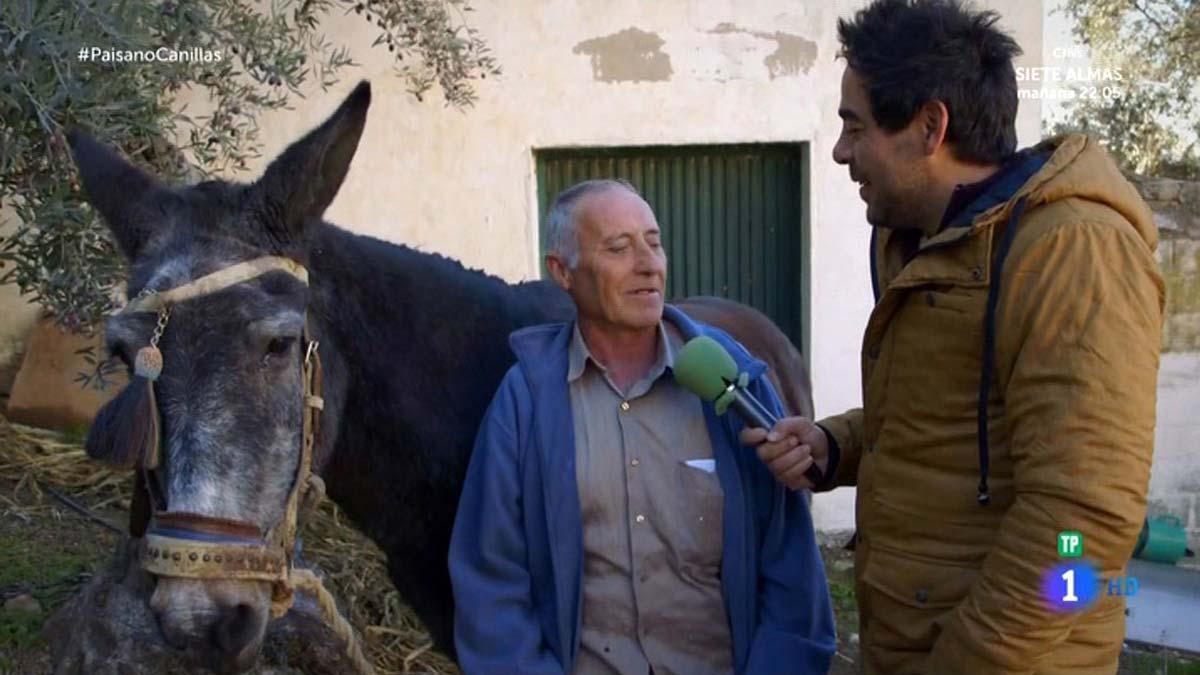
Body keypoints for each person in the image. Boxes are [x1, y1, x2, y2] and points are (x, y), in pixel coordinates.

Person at [740, 1, 1164, 672]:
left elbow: (1080, 520)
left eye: (856, 125)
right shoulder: (916, 238)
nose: (841, 149)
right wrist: (833, 444)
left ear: (930, 126)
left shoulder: (1073, 250)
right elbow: (942, 422)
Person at [450, 179, 836, 674]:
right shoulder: (526, 399)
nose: (649, 263)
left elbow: (791, 573)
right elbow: (492, 583)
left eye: (654, 243)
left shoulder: (732, 381)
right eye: (619, 247)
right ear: (561, 271)